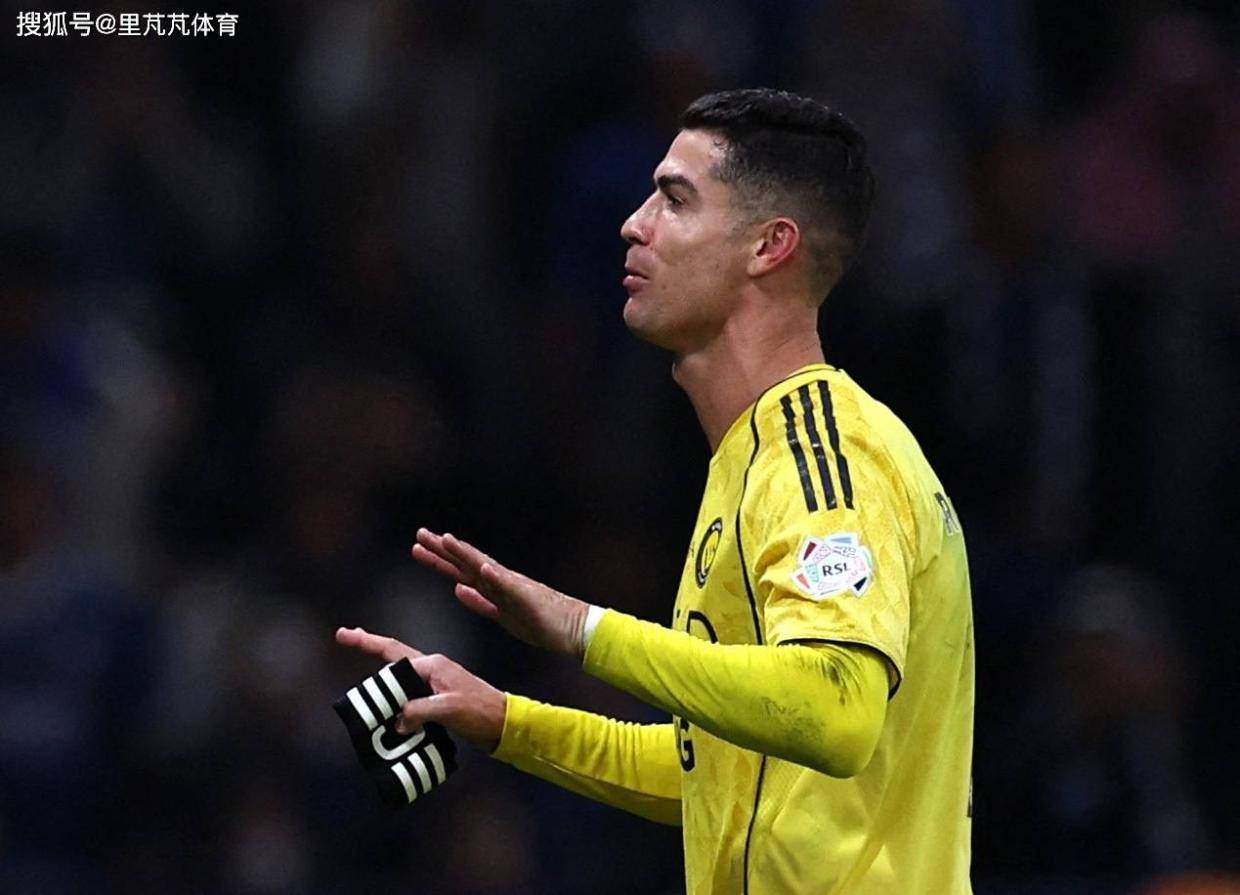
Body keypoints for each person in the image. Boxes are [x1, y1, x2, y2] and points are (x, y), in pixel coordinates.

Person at [336, 88, 974, 893]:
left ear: (769, 246)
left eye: (674, 199)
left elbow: (836, 711)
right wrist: (505, 719)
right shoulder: (753, 459)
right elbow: (720, 774)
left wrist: (584, 628)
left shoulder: (825, 450)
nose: (633, 224)